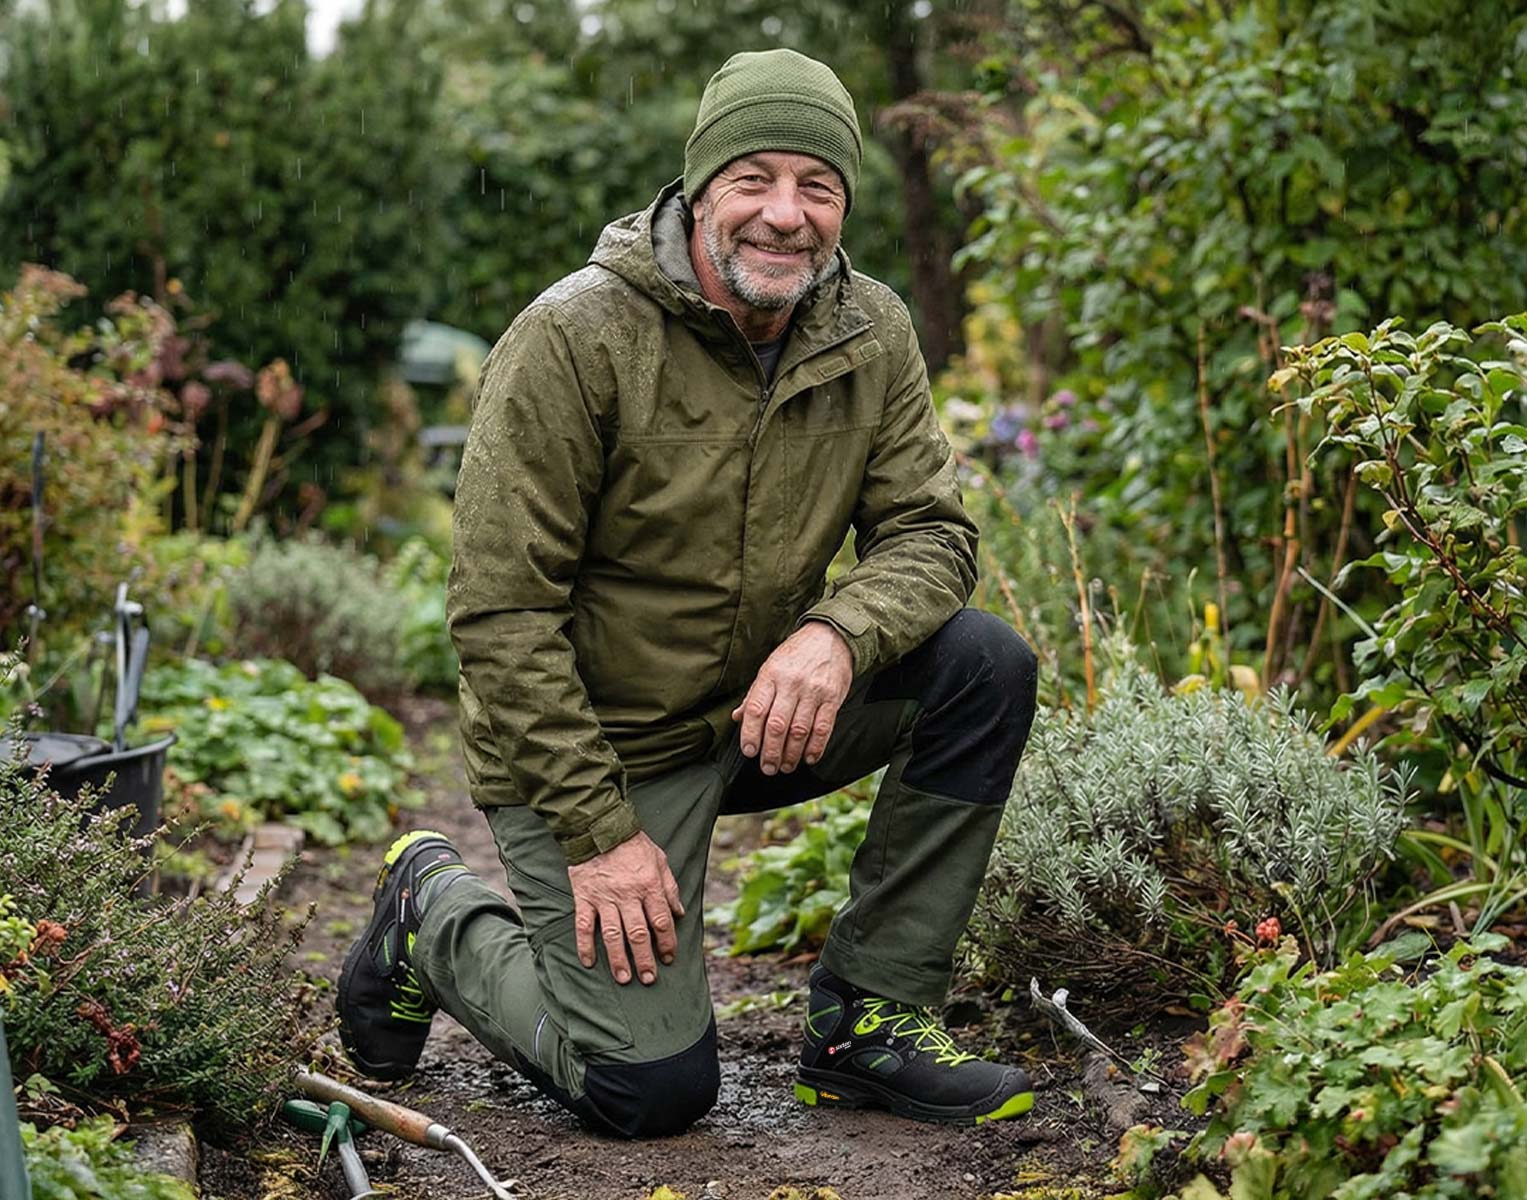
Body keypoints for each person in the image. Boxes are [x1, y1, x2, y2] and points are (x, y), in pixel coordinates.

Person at [338, 48, 1039, 1138]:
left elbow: (930, 531)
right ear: (700, 189)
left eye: (818, 187)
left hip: (760, 717)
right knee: (647, 1090)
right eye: (754, 179)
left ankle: (872, 1024)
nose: (786, 214)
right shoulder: (574, 338)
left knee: (982, 664)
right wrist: (599, 833)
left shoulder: (872, 329)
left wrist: (838, 636)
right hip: (597, 749)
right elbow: (499, 613)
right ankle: (434, 909)